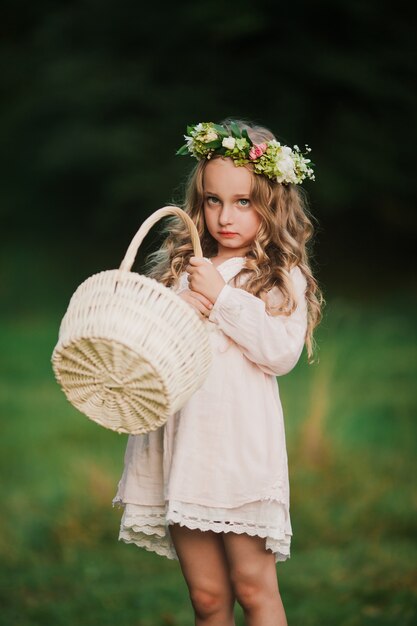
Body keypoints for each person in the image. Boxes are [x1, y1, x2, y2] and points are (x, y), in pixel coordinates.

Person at [113, 119, 323, 626]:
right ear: (199, 200)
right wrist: (174, 305)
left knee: (254, 590)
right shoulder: (181, 264)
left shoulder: (276, 272)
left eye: (243, 202)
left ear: (271, 203)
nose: (225, 216)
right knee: (207, 599)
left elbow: (280, 352)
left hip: (239, 454)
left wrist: (221, 297)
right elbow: (149, 353)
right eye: (212, 200)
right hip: (185, 449)